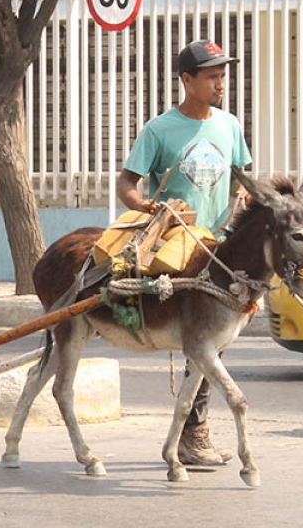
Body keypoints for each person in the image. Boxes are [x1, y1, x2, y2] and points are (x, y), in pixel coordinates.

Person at [116, 39, 252, 466]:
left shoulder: (229, 126)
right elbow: (126, 184)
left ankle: (191, 433)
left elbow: (242, 179)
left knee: (212, 345)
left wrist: (245, 202)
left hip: (221, 250)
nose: (220, 83)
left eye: (223, 75)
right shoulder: (160, 130)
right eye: (211, 76)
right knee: (202, 345)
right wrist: (144, 205)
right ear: (186, 80)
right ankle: (194, 435)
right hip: (179, 250)